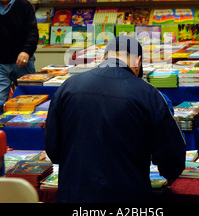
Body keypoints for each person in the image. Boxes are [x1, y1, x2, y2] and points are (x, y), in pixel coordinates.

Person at [45, 36, 186, 203]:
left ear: (103, 58)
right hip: (127, 197)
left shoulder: (68, 86)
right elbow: (172, 158)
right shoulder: (150, 94)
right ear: (138, 62)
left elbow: (53, 149)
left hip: (74, 195)